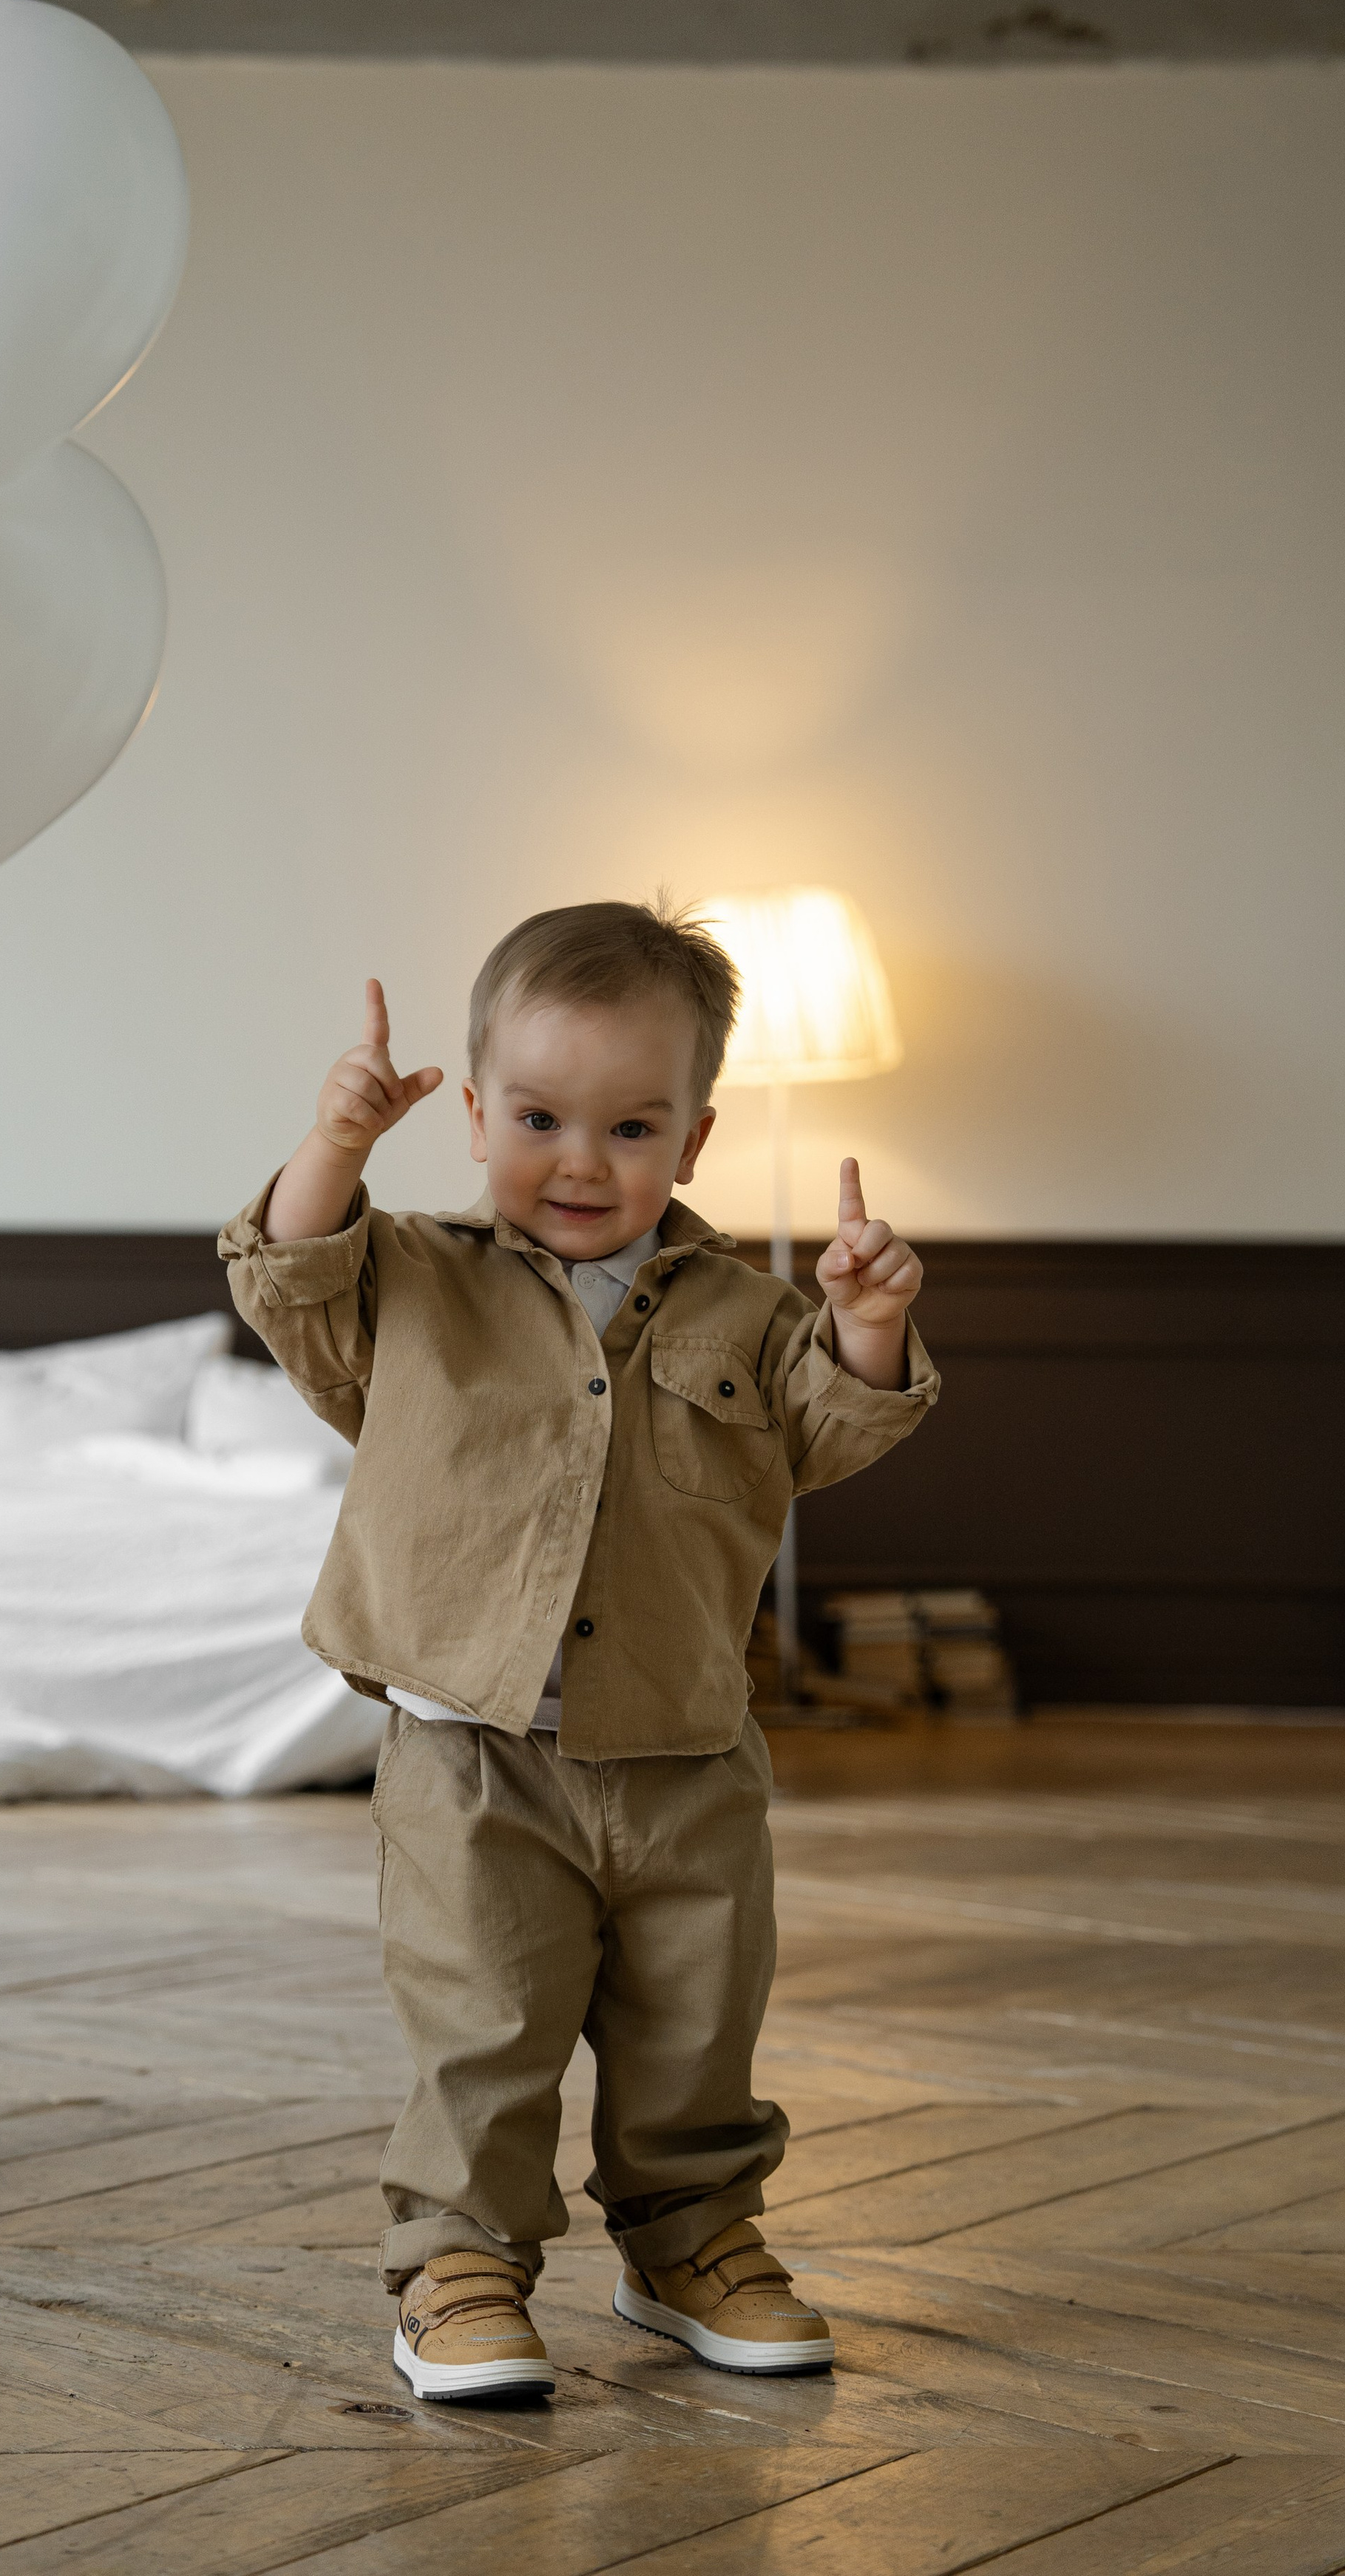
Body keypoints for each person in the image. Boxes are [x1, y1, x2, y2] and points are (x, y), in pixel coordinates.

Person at [220, 896, 938, 2402]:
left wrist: (863, 1321)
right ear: (474, 1113)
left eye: (628, 1127)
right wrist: (335, 1143)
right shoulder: (406, 1279)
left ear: (689, 1139)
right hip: (472, 1755)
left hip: (681, 1746)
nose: (579, 1161)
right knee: (484, 2021)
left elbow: (827, 1429)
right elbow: (286, 1282)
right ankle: (459, 2258)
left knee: (695, 2022)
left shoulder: (746, 1312)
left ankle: (690, 2241)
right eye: (538, 1118)